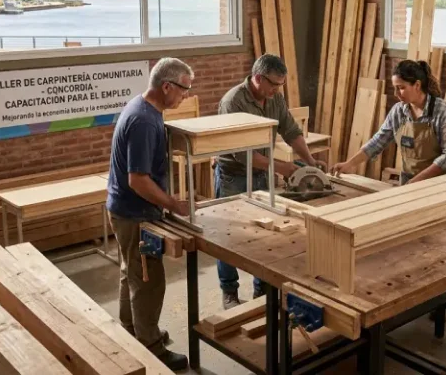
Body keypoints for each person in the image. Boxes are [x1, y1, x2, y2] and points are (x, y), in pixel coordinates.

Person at [215, 54, 327, 309]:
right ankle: (229, 291)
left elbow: (290, 130)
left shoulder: (275, 97)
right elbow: (240, 152)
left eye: (281, 85)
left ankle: (262, 290)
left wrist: (309, 161)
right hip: (233, 174)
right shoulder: (233, 102)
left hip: (261, 173)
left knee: (263, 232)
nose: (277, 90)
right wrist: (282, 167)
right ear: (257, 78)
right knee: (227, 236)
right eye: (274, 84)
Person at [106, 57, 194, 372]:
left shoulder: (144, 109)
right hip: (134, 212)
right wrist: (172, 204)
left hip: (125, 209)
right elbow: (137, 179)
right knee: (148, 280)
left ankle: (134, 330)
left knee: (131, 271)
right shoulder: (144, 121)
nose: (185, 96)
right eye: (183, 89)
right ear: (166, 86)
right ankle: (150, 347)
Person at [332, 59, 446, 185]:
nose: (396, 94)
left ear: (417, 85)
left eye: (401, 88)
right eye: (395, 88)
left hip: (439, 185)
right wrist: (348, 164)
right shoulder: (398, 111)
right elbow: (378, 141)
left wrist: (417, 181)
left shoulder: (443, 112)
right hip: (408, 181)